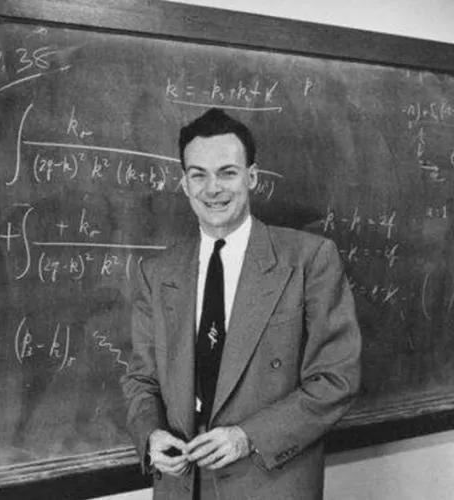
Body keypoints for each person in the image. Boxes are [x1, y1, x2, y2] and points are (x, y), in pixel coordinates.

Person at [121, 108, 361, 499]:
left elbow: (337, 379)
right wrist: (150, 436)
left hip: (269, 483)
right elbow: (141, 379)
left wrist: (247, 437)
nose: (212, 188)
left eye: (227, 173)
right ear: (184, 183)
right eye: (198, 175)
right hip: (182, 486)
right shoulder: (157, 273)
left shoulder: (309, 259)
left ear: (252, 177)